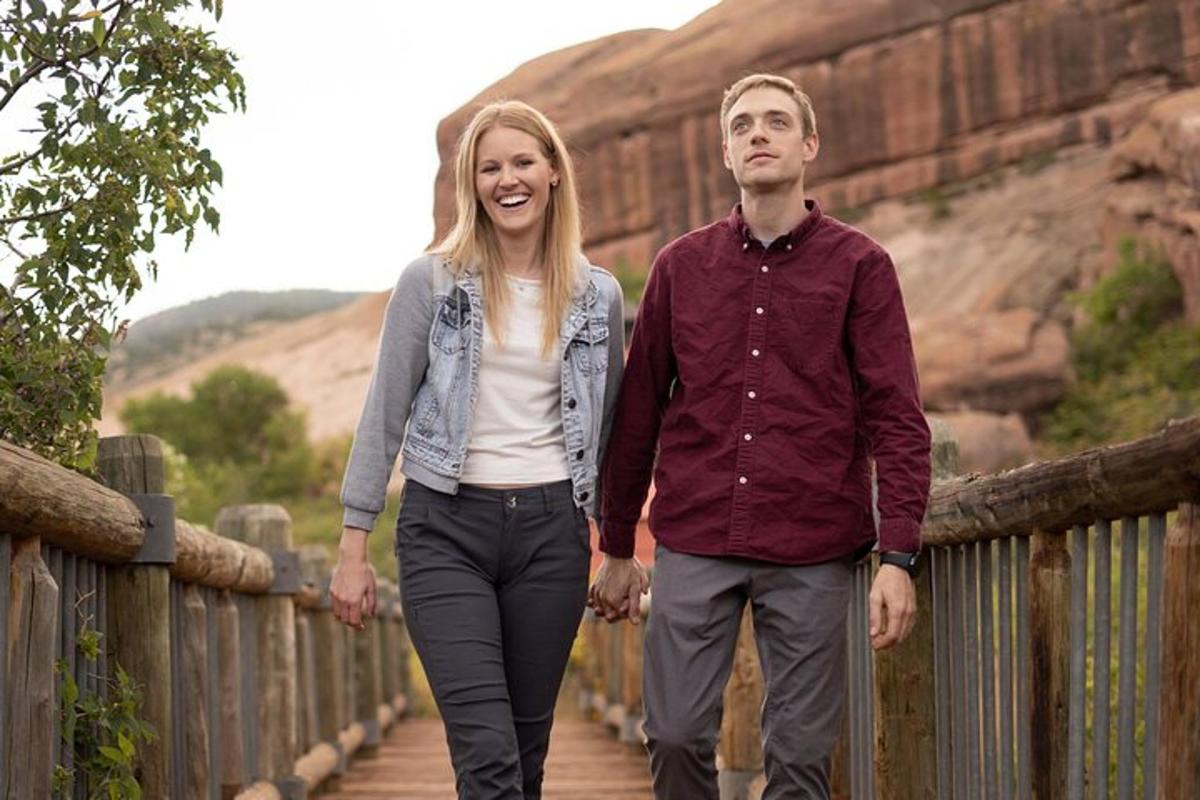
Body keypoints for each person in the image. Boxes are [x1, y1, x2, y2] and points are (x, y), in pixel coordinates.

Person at [589, 73, 932, 799]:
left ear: (808, 145)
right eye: (743, 126)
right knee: (676, 736)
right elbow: (638, 413)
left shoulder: (861, 267)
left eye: (776, 122)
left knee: (801, 760)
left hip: (813, 544)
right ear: (725, 153)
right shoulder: (679, 267)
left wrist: (898, 553)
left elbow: (896, 415)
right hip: (695, 536)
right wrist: (617, 545)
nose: (758, 135)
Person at [330, 100, 625, 800]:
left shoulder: (598, 296)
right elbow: (383, 413)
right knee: (488, 755)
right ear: (471, 185)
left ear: (553, 172)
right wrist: (352, 549)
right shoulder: (430, 282)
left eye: (523, 162)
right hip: (445, 529)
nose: (507, 179)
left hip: (553, 534)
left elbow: (611, 433)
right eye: (489, 167)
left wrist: (618, 549)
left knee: (523, 760)